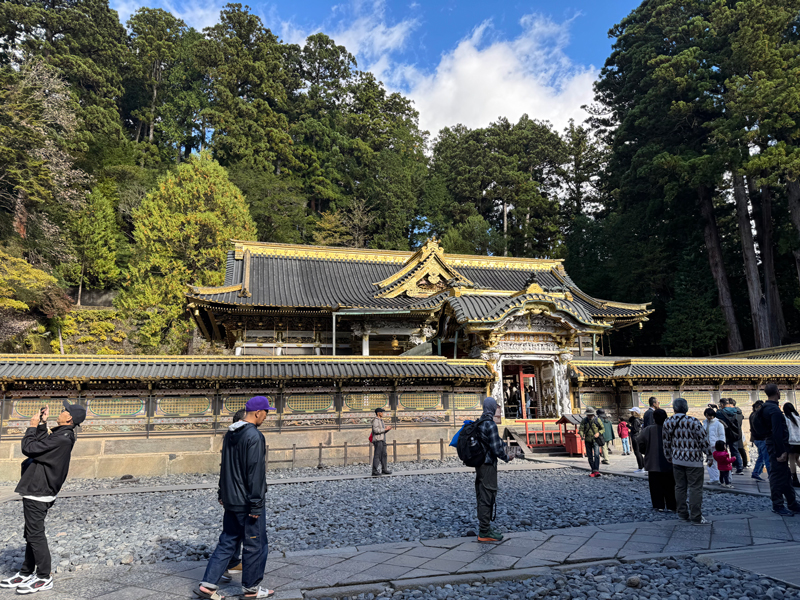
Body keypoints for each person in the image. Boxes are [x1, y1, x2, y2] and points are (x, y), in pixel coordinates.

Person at [0, 402, 86, 595]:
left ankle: (44, 577)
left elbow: (29, 448)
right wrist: (41, 425)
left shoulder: (62, 439)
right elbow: (41, 447)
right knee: (31, 533)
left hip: (39, 490)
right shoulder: (62, 435)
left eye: (64, 410)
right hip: (38, 488)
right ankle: (26, 572)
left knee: (35, 534)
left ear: (69, 418)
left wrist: (31, 427)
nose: (61, 412)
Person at [197, 396, 275, 600]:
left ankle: (208, 585)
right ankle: (251, 589)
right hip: (246, 500)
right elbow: (255, 472)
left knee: (228, 541)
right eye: (266, 413)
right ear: (258, 412)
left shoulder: (230, 434)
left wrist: (222, 493)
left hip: (230, 498)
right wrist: (256, 504)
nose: (266, 417)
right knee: (256, 544)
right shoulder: (254, 436)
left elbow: (225, 467)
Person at [663, 397, 711, 525]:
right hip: (693, 459)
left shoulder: (667, 422)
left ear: (674, 409)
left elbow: (666, 441)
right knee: (695, 488)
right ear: (686, 408)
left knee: (680, 487)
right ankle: (696, 516)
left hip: (677, 459)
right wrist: (709, 455)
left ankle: (682, 514)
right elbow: (703, 440)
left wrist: (668, 455)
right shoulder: (693, 421)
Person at [754, 384, 800, 517]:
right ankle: (778, 504)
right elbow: (777, 432)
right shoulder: (774, 410)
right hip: (776, 446)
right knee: (776, 475)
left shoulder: (765, 407)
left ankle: (792, 502)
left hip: (772, 443)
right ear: (777, 392)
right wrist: (781, 451)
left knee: (785, 474)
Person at [474, 397, 514, 542]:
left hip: (479, 465)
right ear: (491, 408)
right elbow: (496, 449)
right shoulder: (490, 424)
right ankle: (484, 531)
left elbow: (494, 441)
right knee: (488, 495)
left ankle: (484, 527)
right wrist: (507, 457)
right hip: (488, 465)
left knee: (481, 495)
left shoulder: (479, 422)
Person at [219, 408, 247, 584]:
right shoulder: (237, 439)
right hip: (238, 494)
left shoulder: (232, 438)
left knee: (235, 533)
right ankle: (217, 572)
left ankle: (233, 562)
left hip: (234, 492)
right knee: (230, 536)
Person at [637, 408, 677, 512]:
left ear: (654, 418)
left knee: (655, 486)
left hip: (653, 462)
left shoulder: (648, 430)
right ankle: (671, 505)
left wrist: (646, 451)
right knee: (670, 485)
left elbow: (640, 442)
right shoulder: (671, 429)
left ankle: (658, 505)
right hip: (670, 462)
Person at [718, 399, 744, 474]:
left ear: (722, 404)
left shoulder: (720, 412)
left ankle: (728, 468)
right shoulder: (737, 411)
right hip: (734, 433)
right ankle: (739, 468)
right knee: (735, 451)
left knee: (724, 452)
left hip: (725, 434)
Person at [703, 407, 725, 486]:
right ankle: (713, 478)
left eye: (710, 416)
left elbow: (722, 435)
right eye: (707, 416)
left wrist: (721, 445)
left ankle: (718, 478)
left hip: (716, 446)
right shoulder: (705, 423)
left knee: (716, 462)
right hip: (708, 446)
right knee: (710, 462)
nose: (709, 417)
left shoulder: (718, 424)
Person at [578, 407, 603, 477]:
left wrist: (598, 433)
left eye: (591, 415)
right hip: (587, 440)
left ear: (593, 414)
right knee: (589, 456)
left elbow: (602, 428)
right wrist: (582, 435)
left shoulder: (597, 420)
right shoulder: (584, 420)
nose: (589, 416)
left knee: (597, 455)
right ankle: (593, 470)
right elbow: (581, 429)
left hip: (596, 440)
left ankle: (596, 470)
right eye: (588, 415)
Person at [750, 400, 770, 482]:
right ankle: (771, 475)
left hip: (756, 439)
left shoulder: (752, 415)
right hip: (762, 439)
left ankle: (756, 472)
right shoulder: (759, 416)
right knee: (767, 458)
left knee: (761, 457)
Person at [371, 407, 393, 476]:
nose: (383, 413)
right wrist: (384, 429)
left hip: (382, 439)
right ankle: (374, 471)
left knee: (384, 455)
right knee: (377, 455)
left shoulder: (381, 420)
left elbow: (382, 431)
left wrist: (387, 429)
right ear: (378, 413)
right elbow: (376, 430)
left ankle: (384, 469)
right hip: (378, 440)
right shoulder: (376, 420)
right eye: (381, 412)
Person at [728, 398, 748, 469]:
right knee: (739, 448)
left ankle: (740, 465)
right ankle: (742, 463)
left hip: (735, 432)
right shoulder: (738, 412)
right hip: (737, 432)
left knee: (737, 449)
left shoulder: (734, 413)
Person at [783, 403, 800, 488]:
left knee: (792, 459)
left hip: (792, 441)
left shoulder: (786, 418)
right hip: (799, 441)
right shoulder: (798, 417)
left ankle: (795, 479)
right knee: (797, 459)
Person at [628, 407, 645, 473]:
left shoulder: (635, 420)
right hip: (638, 437)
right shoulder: (639, 420)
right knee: (638, 452)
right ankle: (642, 466)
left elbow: (635, 429)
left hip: (635, 437)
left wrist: (629, 427)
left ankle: (641, 467)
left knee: (637, 452)